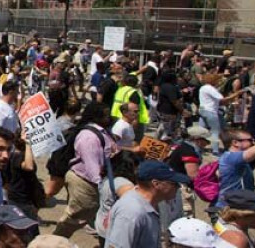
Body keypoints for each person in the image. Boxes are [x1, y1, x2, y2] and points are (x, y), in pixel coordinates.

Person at [53, 102, 114, 238]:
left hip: (90, 181)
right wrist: (104, 188)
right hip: (85, 183)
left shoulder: (101, 132)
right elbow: (93, 167)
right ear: (96, 117)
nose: (109, 118)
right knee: (74, 219)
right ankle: (54, 242)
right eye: (106, 115)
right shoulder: (89, 137)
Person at [104, 160, 190, 248]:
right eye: (174, 183)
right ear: (156, 184)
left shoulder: (153, 205)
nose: (178, 187)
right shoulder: (131, 212)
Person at [94, 152, 137, 246]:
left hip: (102, 223)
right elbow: (134, 204)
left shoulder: (108, 177)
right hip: (113, 229)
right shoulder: (123, 183)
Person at [215, 130, 255, 208]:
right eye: (250, 140)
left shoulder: (233, 157)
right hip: (230, 209)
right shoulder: (231, 157)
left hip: (237, 205)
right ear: (235, 143)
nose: (254, 143)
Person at [198, 73, 243, 156]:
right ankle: (215, 150)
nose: (219, 81)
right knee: (215, 131)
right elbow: (222, 99)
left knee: (201, 130)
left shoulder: (203, 87)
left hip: (203, 110)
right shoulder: (210, 88)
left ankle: (198, 147)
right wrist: (236, 94)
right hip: (210, 111)